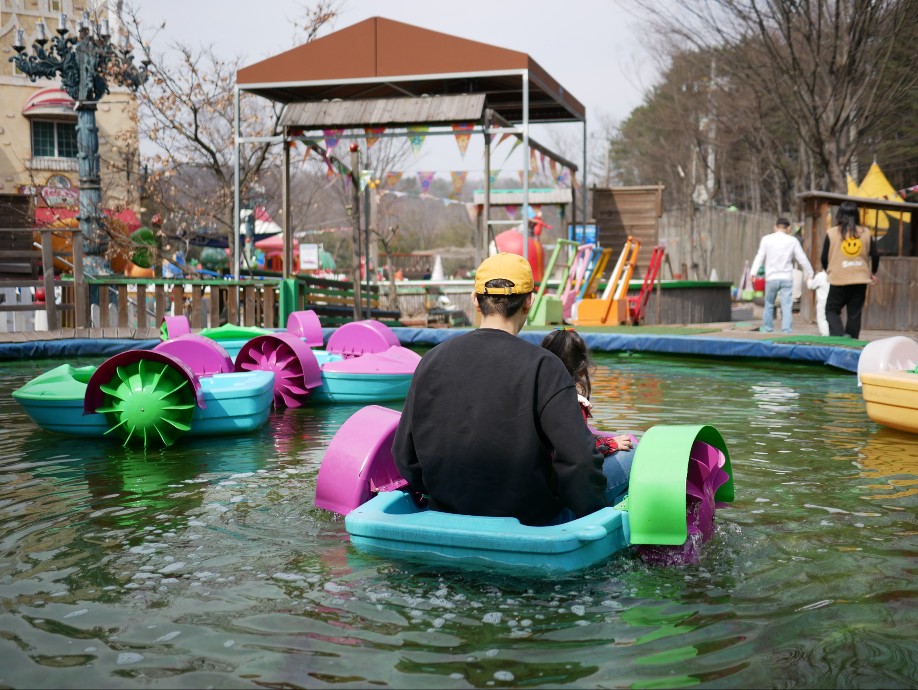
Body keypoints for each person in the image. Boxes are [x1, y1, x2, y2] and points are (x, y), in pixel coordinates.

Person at [392, 253, 629, 526]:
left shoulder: (430, 360)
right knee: (631, 455)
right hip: (533, 522)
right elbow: (580, 462)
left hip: (447, 514)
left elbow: (405, 456)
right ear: (529, 301)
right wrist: (588, 518)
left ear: (475, 300)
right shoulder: (545, 367)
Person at [540, 328, 636, 504]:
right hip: (567, 494)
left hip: (542, 484)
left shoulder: (536, 394)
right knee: (636, 454)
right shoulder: (571, 402)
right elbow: (577, 452)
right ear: (582, 367)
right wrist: (611, 443)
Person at [821, 201, 879, 339]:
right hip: (860, 278)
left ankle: (840, 335)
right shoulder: (865, 233)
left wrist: (827, 269)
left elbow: (824, 257)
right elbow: (875, 255)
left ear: (839, 215)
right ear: (857, 215)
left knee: (831, 310)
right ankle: (852, 341)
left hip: (838, 278)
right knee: (854, 313)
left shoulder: (832, 233)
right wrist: (873, 273)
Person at [749, 217, 814, 333]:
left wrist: (753, 272)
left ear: (775, 227)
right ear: (788, 228)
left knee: (769, 305)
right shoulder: (792, 240)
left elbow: (760, 256)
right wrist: (810, 271)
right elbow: (802, 258)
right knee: (787, 306)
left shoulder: (766, 239)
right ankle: (786, 331)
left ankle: (768, 330)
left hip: (771, 278)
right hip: (786, 278)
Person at [807, 270, 830, 336]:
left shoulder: (821, 275)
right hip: (833, 300)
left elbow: (811, 285)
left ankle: (825, 334)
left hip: (823, 300)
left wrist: (809, 279)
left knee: (822, 318)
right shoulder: (835, 274)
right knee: (831, 317)